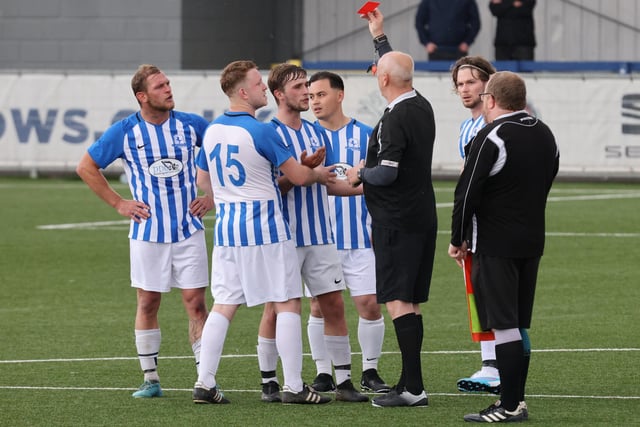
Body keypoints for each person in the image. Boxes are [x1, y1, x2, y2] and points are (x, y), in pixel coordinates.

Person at [192, 60, 331, 405]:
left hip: (227, 229)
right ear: (242, 92)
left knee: (224, 304)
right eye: (257, 84)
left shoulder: (211, 131)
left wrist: (222, 197)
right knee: (287, 302)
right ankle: (295, 386)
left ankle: (204, 382)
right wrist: (318, 172)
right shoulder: (262, 130)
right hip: (265, 226)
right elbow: (297, 179)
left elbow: (201, 180)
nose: (263, 89)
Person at [76, 64, 212, 398]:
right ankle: (151, 379)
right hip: (148, 232)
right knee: (148, 302)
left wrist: (211, 195)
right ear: (142, 96)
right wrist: (118, 203)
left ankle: (205, 378)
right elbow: (86, 166)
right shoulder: (124, 131)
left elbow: (222, 153)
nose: (168, 89)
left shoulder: (191, 125)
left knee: (196, 304)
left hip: (188, 230)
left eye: (168, 83)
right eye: (160, 86)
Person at [448, 71, 559, 422]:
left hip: (495, 243)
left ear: (490, 100)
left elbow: (467, 192)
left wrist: (457, 239)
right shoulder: (544, 132)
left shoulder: (491, 135)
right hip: (531, 241)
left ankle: (509, 406)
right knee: (517, 322)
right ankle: (515, 401)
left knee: (504, 324)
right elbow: (548, 178)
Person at [256, 63, 368, 404]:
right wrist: (302, 171)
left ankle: (345, 380)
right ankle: (270, 381)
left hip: (320, 234)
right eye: (299, 87)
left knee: (333, 304)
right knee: (275, 309)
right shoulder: (267, 133)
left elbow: (328, 182)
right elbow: (270, 187)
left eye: (308, 86)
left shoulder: (315, 133)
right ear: (279, 94)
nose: (306, 92)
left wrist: (370, 189)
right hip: (284, 236)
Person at [346, 50, 437, 408]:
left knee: (399, 300)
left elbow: (386, 173)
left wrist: (359, 174)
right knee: (410, 301)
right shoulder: (423, 105)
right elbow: (396, 65)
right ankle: (411, 381)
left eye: (377, 71)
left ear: (383, 79)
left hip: (396, 220)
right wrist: (379, 37)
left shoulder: (394, 118)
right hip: (421, 216)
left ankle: (413, 388)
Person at [306, 70, 390, 394]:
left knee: (369, 303)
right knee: (318, 306)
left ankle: (370, 371)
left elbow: (379, 182)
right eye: (311, 96)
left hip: (361, 238)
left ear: (339, 95)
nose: (314, 102)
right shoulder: (307, 138)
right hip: (320, 239)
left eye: (321, 95)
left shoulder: (367, 135)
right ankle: (324, 372)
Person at [450, 56, 503, 395]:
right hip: (474, 224)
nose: (465, 89)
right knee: (477, 292)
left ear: (488, 84)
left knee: (495, 292)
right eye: (459, 84)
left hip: (494, 224)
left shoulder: (494, 123)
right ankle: (490, 363)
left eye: (470, 82)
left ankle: (497, 364)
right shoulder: (465, 128)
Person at [415, 0, 481, 60]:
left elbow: (475, 23)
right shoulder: (428, 1)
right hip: (435, 50)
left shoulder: (468, 1)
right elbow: (419, 22)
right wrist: (426, 43)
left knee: (459, 72)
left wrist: (467, 42)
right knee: (436, 73)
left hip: (459, 50)